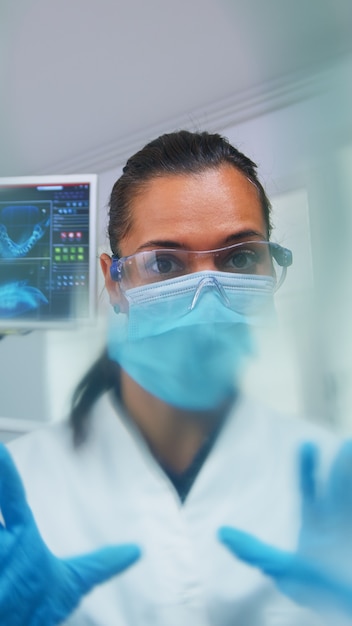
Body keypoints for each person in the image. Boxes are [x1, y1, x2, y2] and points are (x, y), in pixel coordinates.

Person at [2, 130, 352, 625]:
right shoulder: (24, 488)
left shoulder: (331, 480)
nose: (208, 301)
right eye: (164, 263)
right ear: (114, 282)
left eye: (239, 257)